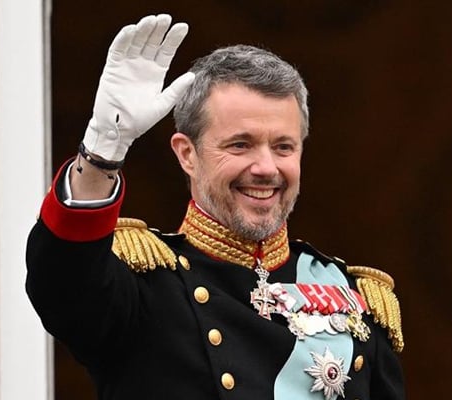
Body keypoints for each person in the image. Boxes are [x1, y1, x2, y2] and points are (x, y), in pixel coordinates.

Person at [26, 13, 405, 400]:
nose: (265, 168)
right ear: (187, 154)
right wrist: (104, 150)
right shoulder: (143, 289)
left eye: (283, 147)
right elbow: (60, 283)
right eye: (240, 144)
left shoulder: (354, 296)